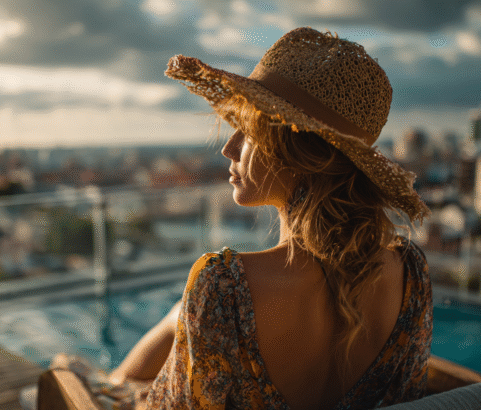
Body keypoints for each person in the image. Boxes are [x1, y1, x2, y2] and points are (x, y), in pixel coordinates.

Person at [104, 27, 432, 409]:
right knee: (175, 319)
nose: (229, 148)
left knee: (95, 378)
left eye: (246, 131)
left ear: (300, 151)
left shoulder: (225, 287)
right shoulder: (411, 272)